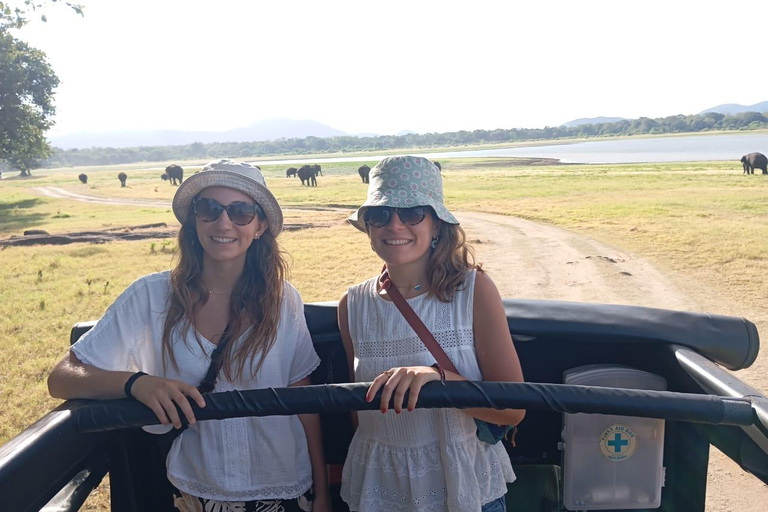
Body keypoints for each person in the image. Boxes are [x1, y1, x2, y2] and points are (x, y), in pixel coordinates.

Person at [48, 159, 330, 512]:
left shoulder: (283, 298)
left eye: (241, 211)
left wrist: (322, 491)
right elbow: (62, 378)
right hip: (198, 487)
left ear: (259, 226)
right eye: (209, 208)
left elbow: (300, 394)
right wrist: (138, 383)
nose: (223, 222)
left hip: (285, 483)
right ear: (195, 219)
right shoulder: (151, 296)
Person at [338, 155, 526, 512]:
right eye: (380, 214)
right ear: (368, 226)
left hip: (465, 487)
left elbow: (512, 409)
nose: (394, 225)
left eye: (412, 213)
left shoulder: (474, 290)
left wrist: (437, 380)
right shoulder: (353, 304)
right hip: (379, 489)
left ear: (437, 224)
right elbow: (359, 412)